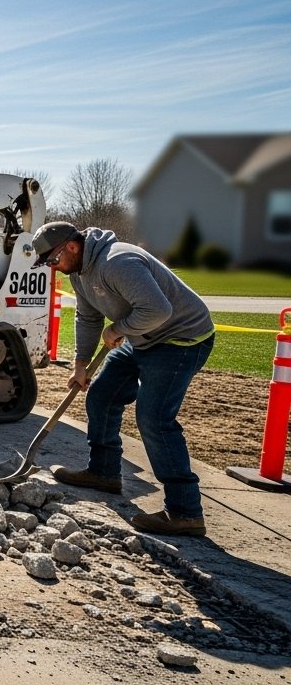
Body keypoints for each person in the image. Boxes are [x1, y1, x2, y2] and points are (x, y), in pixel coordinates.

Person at [33, 221, 215, 536]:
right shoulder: (80, 273)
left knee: (155, 419)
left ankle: (186, 512)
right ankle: (104, 472)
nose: (53, 267)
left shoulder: (117, 261)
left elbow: (159, 310)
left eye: (52, 260)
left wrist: (118, 329)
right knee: (102, 394)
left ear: (72, 247)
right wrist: (80, 363)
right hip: (142, 338)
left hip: (180, 339)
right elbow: (88, 317)